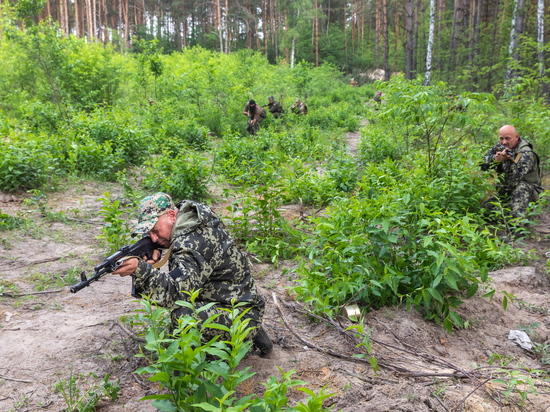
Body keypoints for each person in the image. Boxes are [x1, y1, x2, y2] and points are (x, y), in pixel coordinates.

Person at [112, 192, 273, 358]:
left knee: (183, 316)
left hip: (241, 311)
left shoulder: (192, 242)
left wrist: (142, 270)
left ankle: (185, 373)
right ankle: (250, 329)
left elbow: (176, 295)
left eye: (155, 230)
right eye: (148, 233)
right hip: (233, 299)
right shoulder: (192, 220)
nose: (153, 237)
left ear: (172, 215)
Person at [480, 125, 543, 226]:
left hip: (529, 193)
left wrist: (507, 161)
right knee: (484, 211)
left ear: (516, 137)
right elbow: (481, 164)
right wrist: (494, 159)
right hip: (507, 192)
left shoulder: (526, 153)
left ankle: (516, 229)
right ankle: (510, 216)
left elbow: (515, 181)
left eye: (507, 138)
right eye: (501, 138)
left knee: (521, 187)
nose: (504, 142)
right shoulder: (500, 147)